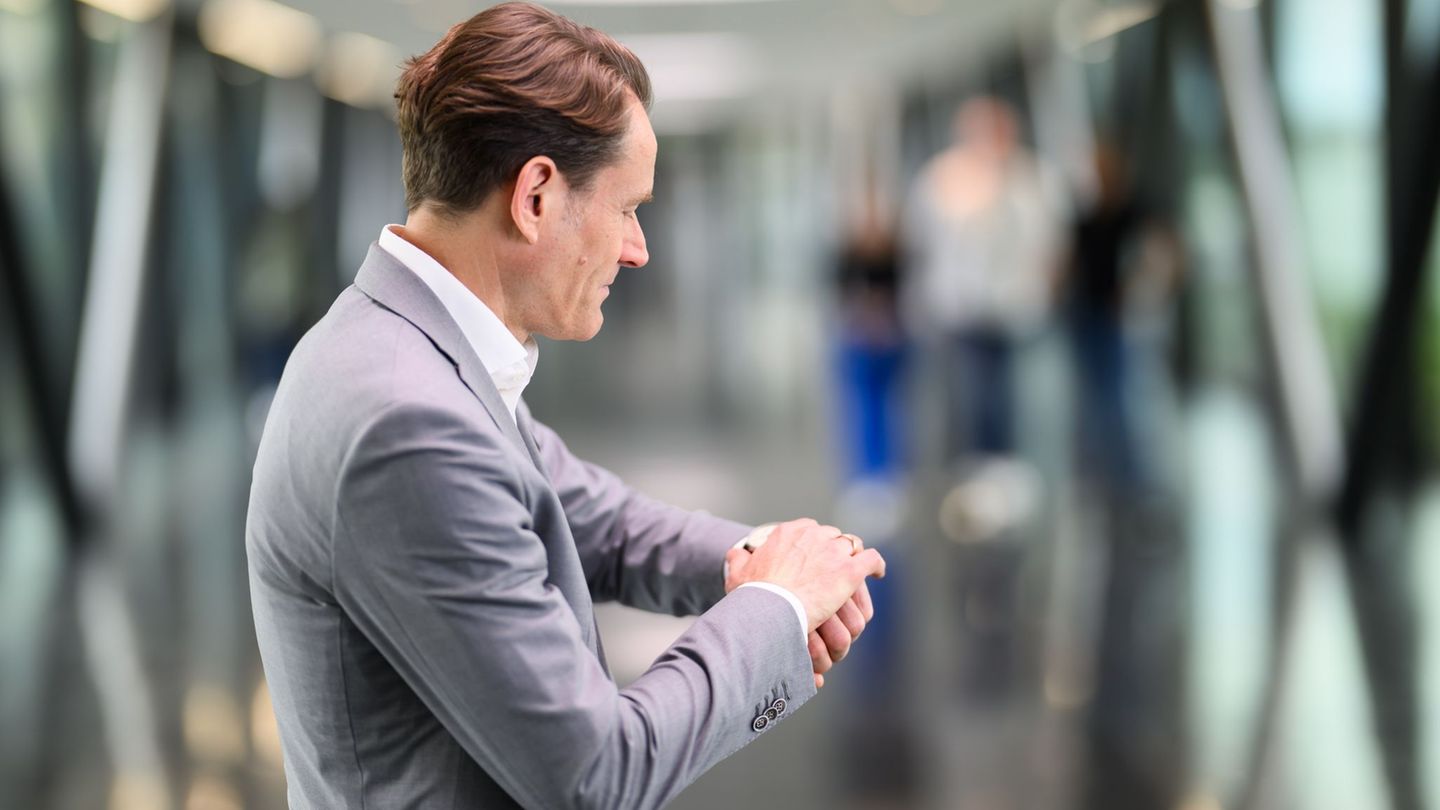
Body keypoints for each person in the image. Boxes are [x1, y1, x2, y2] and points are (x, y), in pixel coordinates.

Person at [244, 4, 886, 809]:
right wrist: (777, 608)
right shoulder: (407, 419)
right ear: (537, 196)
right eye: (627, 208)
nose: (637, 248)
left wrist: (761, 558)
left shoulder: (409, 347)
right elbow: (596, 773)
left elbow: (591, 517)